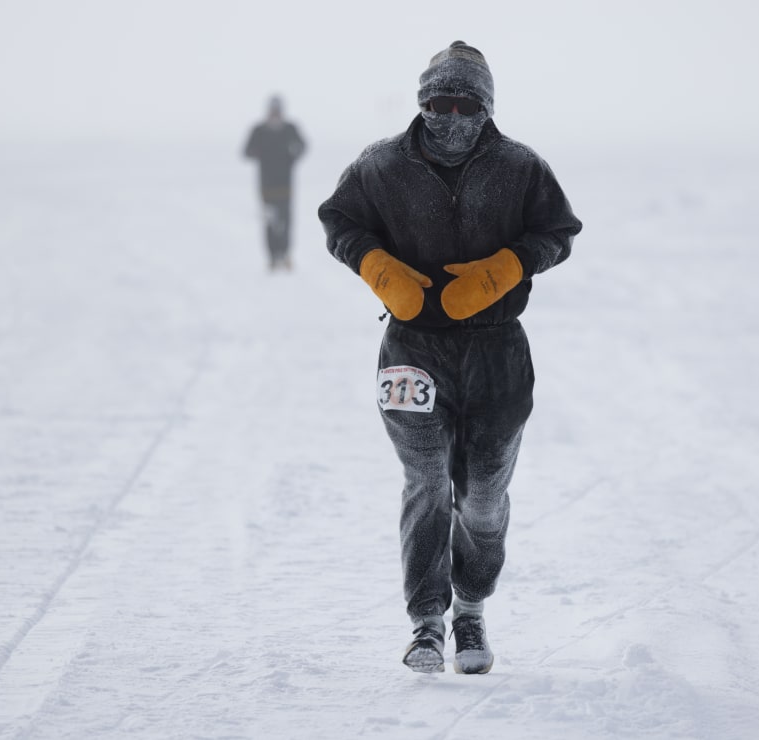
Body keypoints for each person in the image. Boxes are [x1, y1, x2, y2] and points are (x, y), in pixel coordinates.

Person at [318, 41, 582, 674]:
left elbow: (558, 231)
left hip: (498, 351)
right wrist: (376, 267)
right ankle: (426, 623)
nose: (453, 117)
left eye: (467, 105)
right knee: (429, 481)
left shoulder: (521, 167)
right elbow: (339, 220)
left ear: (487, 108)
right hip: (413, 349)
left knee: (484, 497)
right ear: (422, 102)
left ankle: (471, 611)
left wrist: (509, 266)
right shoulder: (380, 166)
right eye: (440, 102)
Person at [243, 95, 307, 271]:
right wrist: (257, 152)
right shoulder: (259, 130)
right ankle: (272, 257)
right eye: (273, 111)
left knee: (286, 222)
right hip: (267, 187)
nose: (275, 115)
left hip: (286, 186)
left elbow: (303, 146)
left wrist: (293, 157)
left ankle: (285, 255)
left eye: (277, 111)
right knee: (270, 223)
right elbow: (246, 151)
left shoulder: (290, 129)